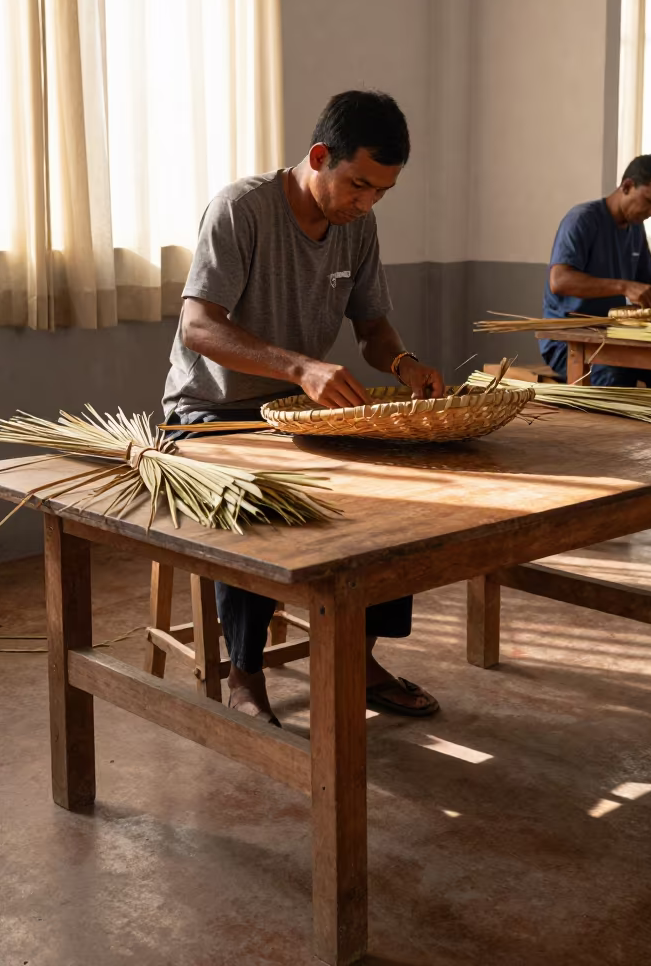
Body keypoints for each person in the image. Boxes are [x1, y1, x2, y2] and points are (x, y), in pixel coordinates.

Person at [163, 90, 444, 725]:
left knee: (402, 497)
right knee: (255, 499)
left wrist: (404, 364)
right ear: (320, 155)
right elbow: (198, 327)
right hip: (212, 413)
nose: (367, 203)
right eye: (358, 185)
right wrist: (299, 365)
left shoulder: (358, 227)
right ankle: (244, 670)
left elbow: (374, 329)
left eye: (381, 192)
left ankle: (358, 653)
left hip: (301, 411)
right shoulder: (242, 209)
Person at [540, 154, 651, 387]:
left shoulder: (636, 229)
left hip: (615, 337)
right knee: (616, 378)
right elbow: (560, 281)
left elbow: (650, 284)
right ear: (627, 186)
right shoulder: (582, 220)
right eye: (649, 201)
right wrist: (624, 286)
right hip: (569, 341)